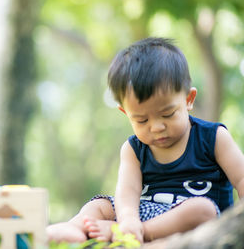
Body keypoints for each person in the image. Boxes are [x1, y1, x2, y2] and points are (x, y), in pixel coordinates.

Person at [46, 37, 244, 244]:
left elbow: (241, 179)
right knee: (101, 205)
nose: (156, 127)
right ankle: (75, 229)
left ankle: (133, 236)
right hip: (144, 213)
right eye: (141, 120)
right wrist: (128, 220)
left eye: (168, 114)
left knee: (202, 209)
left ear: (188, 100)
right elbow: (128, 191)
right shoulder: (134, 149)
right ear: (126, 113)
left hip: (191, 219)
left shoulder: (213, 138)